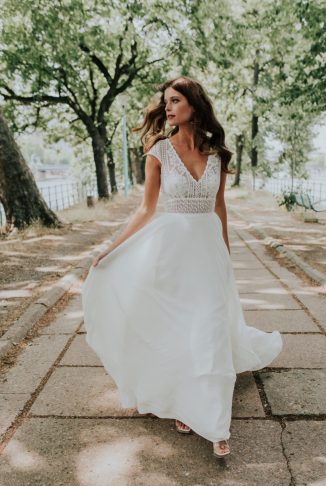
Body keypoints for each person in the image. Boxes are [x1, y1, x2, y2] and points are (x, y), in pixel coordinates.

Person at [81, 76, 283, 458]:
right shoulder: (159, 151)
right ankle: (181, 399)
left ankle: (214, 422)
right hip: (170, 251)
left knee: (208, 326)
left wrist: (225, 253)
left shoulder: (218, 154)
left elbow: (220, 207)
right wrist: (112, 248)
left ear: (194, 104)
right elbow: (146, 209)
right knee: (177, 327)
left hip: (206, 250)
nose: (168, 107)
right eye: (166, 101)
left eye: (176, 100)